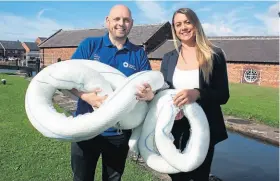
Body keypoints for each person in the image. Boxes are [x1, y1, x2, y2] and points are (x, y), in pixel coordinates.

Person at [69, 5, 155, 181]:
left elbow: (150, 88)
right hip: (86, 128)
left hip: (118, 134)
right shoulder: (90, 46)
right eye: (116, 19)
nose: (121, 23)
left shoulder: (138, 54)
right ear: (107, 21)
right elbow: (65, 78)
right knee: (81, 178)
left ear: (131, 23)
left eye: (126, 20)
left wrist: (149, 95)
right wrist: (86, 97)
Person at [160, 8, 230, 181]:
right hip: (175, 130)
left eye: (187, 22)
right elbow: (163, 91)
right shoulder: (168, 58)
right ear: (174, 29)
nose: (183, 27)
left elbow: (223, 95)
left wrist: (197, 93)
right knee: (176, 176)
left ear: (196, 25)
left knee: (200, 177)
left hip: (204, 130)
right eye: (178, 24)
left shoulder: (214, 55)